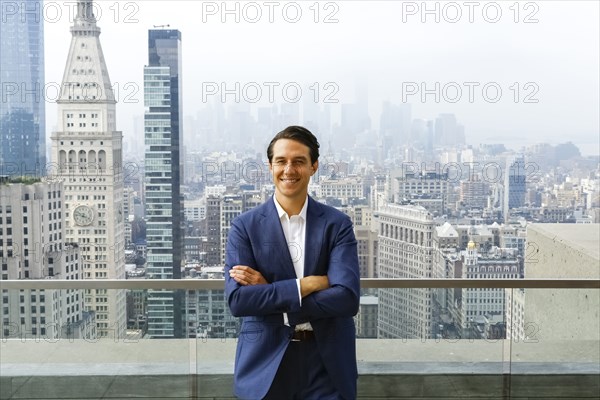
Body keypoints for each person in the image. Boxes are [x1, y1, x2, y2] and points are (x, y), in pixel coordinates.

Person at [225, 125, 360, 399]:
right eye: (281, 161)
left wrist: (271, 292)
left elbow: (347, 299)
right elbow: (239, 301)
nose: (289, 170)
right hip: (265, 364)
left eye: (299, 161)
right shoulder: (245, 227)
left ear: (314, 167)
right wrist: (306, 285)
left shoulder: (337, 225)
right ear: (270, 166)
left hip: (328, 366)